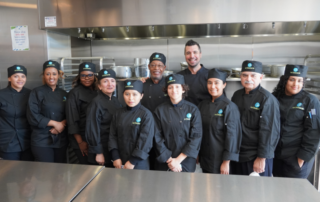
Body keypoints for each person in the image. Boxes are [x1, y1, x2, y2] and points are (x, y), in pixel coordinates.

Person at [230, 60, 280, 176]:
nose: (249, 78)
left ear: (261, 77)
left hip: (255, 157)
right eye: (245, 75)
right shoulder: (236, 95)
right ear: (240, 76)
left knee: (258, 193)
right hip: (238, 155)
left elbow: (270, 131)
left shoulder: (267, 99)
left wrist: (261, 158)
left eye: (253, 75)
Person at [272, 64, 320, 178]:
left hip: (296, 157)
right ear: (284, 81)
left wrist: (301, 158)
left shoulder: (310, 101)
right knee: (278, 190)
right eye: (292, 80)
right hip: (276, 156)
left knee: (294, 194)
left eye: (299, 81)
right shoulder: (274, 97)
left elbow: (313, 131)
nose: (295, 84)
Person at [154, 74, 202, 172]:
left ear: (183, 89)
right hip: (165, 158)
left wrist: (177, 161)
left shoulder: (193, 110)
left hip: (186, 158)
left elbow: (196, 137)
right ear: (166, 90)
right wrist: (170, 160)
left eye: (177, 86)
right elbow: (156, 136)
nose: (174, 90)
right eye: (170, 87)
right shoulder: (159, 110)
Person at [198, 69, 242, 174]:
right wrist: (197, 154)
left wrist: (226, 162)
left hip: (220, 160)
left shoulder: (229, 107)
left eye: (216, 83)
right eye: (209, 83)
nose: (212, 86)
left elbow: (232, 136)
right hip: (205, 158)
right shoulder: (202, 105)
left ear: (224, 85)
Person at [27, 60, 68, 163]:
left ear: (59, 75)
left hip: (60, 139)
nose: (51, 77)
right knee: (45, 173)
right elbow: (32, 115)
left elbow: (70, 113)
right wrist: (54, 123)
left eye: (54, 74)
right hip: (42, 140)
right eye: (48, 74)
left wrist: (61, 125)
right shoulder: (36, 92)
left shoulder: (63, 93)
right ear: (43, 75)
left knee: (60, 172)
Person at [108, 80, 155, 170]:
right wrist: (115, 156)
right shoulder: (118, 113)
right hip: (120, 161)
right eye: (127, 94)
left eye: (134, 94)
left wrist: (132, 161)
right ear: (123, 95)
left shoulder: (146, 114)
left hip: (138, 162)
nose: (130, 98)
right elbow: (112, 136)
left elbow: (145, 141)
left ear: (141, 95)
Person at [85, 69, 122, 166]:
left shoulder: (115, 101)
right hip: (102, 148)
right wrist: (99, 152)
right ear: (99, 86)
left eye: (112, 81)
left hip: (113, 147)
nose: (110, 84)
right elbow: (92, 129)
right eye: (105, 81)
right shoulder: (96, 103)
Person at [140, 52, 169, 170]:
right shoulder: (141, 85)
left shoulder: (170, 85)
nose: (156, 68)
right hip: (144, 134)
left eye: (160, 65)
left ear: (164, 68)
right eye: (153, 65)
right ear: (148, 67)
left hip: (164, 135)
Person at [66, 62, 98, 164]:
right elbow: (72, 120)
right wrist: (80, 142)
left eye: (90, 75)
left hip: (95, 139)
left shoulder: (98, 91)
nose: (86, 78)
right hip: (81, 138)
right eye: (83, 75)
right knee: (87, 169)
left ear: (94, 75)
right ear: (79, 77)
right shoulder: (74, 93)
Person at [0, 65, 33, 161]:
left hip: (28, 141)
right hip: (7, 143)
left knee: (28, 173)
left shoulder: (31, 94)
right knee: (11, 173)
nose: (20, 79)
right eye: (16, 76)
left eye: (23, 76)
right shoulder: (1, 94)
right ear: (9, 78)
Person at [177, 39, 211, 105]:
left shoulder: (210, 75)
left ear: (200, 54)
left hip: (206, 114)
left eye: (195, 52)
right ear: (185, 56)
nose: (192, 56)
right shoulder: (179, 77)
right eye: (188, 53)